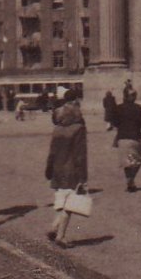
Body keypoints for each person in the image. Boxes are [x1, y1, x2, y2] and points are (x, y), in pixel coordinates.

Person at [45, 91, 89, 249]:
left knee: (62, 201)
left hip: (57, 168)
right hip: (71, 170)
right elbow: (80, 155)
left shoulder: (57, 129)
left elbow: (52, 151)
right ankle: (61, 236)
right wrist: (83, 177)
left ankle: (53, 228)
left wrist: (48, 169)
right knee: (70, 204)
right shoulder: (79, 128)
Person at [113, 91, 141, 192]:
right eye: (134, 95)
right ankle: (131, 181)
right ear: (132, 97)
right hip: (134, 138)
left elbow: (115, 122)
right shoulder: (138, 108)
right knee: (138, 161)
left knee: (127, 162)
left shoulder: (118, 107)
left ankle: (130, 182)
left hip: (122, 138)